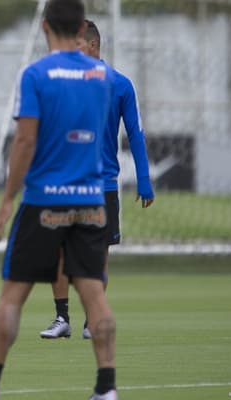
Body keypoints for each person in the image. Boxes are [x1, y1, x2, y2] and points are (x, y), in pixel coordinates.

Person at [0, 1, 117, 399]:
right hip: (90, 198)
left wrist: (6, 200)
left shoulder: (36, 74)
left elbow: (26, 139)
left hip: (44, 201)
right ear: (83, 25)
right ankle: (106, 388)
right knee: (95, 293)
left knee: (13, 294)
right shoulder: (103, 75)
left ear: (44, 25)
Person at [39, 19, 154, 341]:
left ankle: (92, 319)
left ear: (92, 45)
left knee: (96, 255)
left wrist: (143, 178)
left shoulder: (119, 84)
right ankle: (62, 318)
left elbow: (136, 133)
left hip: (101, 185)